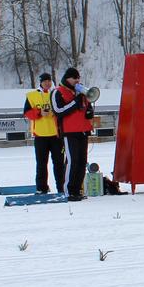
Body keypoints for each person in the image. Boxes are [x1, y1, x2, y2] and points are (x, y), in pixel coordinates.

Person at [50, 67, 94, 201]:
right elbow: (58, 110)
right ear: (67, 78)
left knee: (82, 161)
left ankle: (77, 190)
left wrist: (89, 110)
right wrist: (75, 102)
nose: (77, 80)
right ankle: (68, 191)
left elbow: (86, 107)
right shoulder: (57, 92)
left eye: (78, 78)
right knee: (72, 161)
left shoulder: (81, 92)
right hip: (69, 132)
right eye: (74, 78)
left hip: (83, 131)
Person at [23, 72, 64, 194]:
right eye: (45, 81)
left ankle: (61, 188)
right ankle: (42, 188)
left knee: (59, 164)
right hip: (40, 135)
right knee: (41, 164)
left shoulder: (56, 94)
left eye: (49, 81)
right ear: (40, 83)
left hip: (56, 135)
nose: (47, 83)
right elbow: (27, 113)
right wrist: (39, 112)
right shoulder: (32, 95)